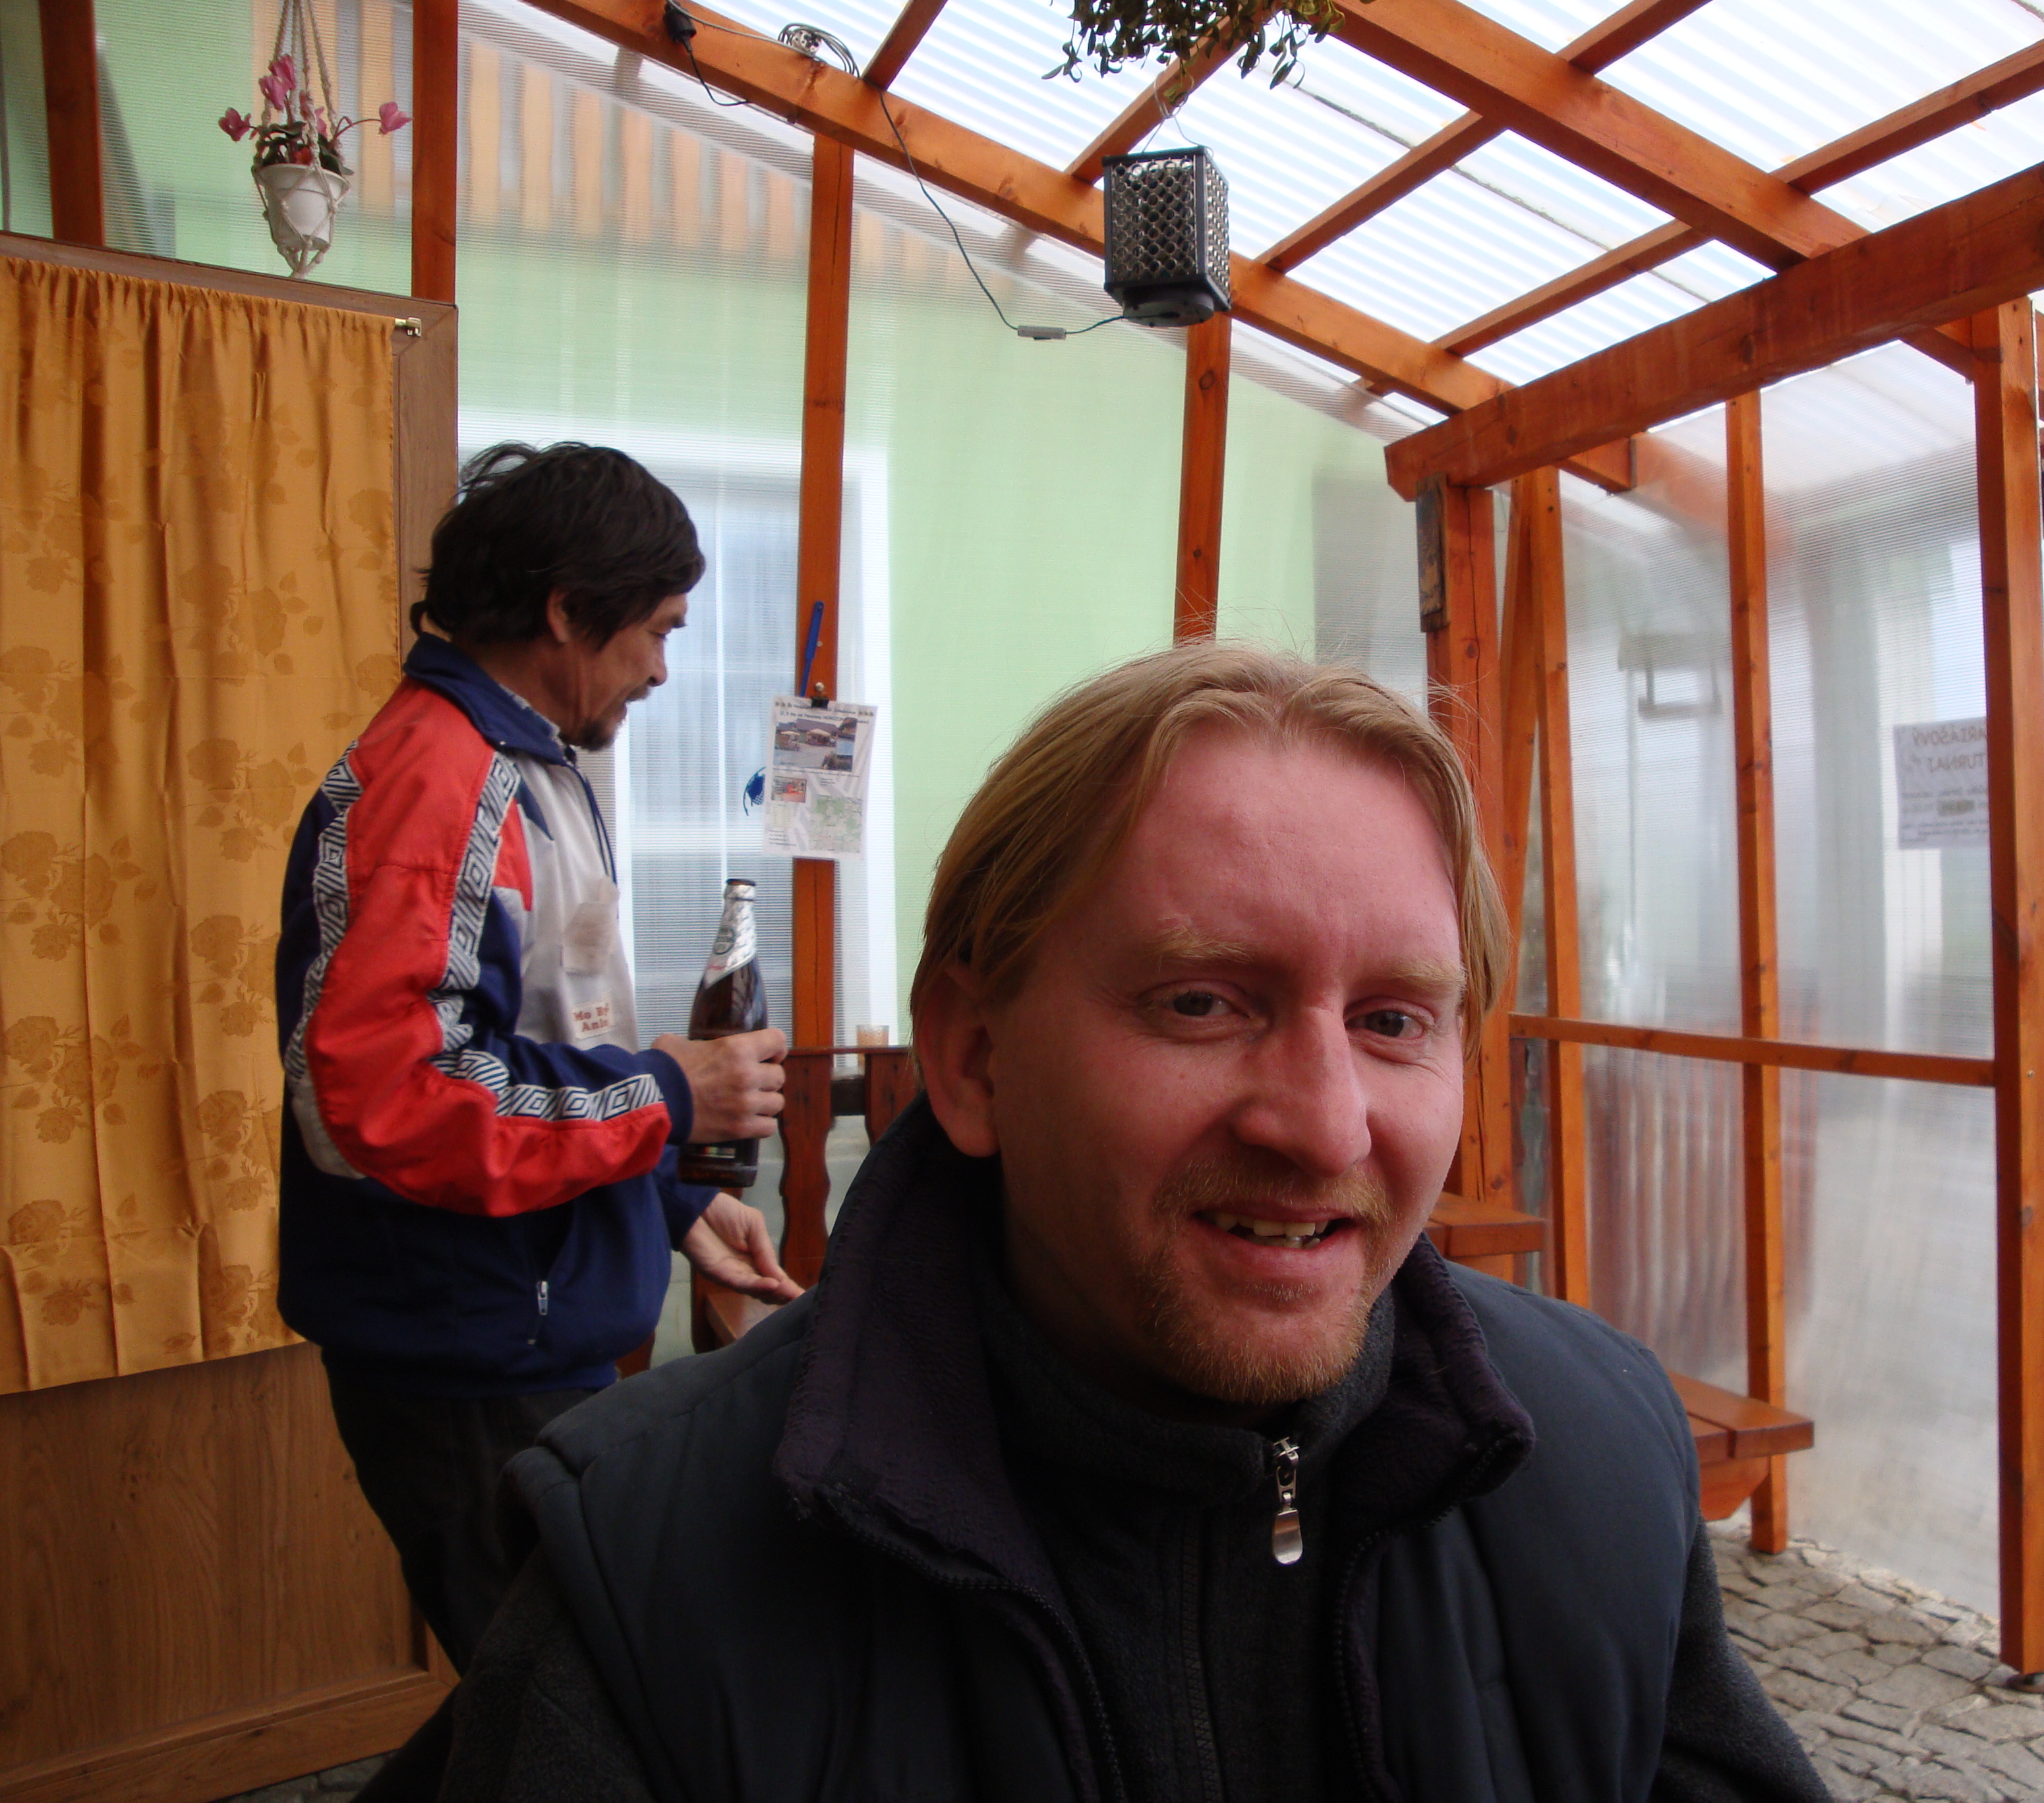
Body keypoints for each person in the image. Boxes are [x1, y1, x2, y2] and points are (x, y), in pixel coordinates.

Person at [431, 643, 1833, 1803]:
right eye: (1202, 1002)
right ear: (975, 1057)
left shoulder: (1597, 1458)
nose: (1327, 1126)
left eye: (1395, 1020)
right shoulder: (646, 1580)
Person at [275, 442, 799, 1686]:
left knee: (589, 1703)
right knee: (573, 1713)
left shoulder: (529, 768)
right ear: (566, 611)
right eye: (656, 630)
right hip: (470, 1356)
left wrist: (667, 1201)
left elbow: (541, 1044)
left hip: (528, 1331)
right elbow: (387, 1104)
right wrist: (671, 1095)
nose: (663, 669)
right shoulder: (438, 783)